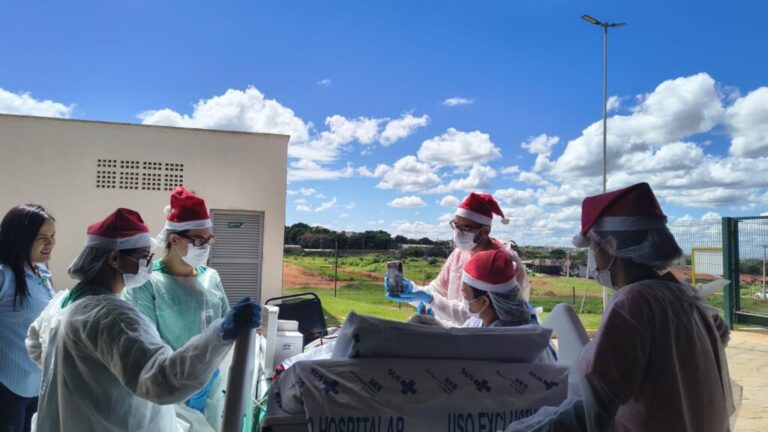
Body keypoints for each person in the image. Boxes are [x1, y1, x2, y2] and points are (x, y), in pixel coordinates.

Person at [506, 182, 735, 432]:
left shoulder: (633, 303)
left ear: (612, 244)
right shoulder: (683, 296)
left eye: (593, 247)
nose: (593, 260)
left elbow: (594, 405)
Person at [26, 208, 260, 432]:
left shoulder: (61, 303)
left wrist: (84, 376)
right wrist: (222, 333)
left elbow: (36, 347)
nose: (148, 266)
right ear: (115, 258)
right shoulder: (110, 315)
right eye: (144, 257)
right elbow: (163, 381)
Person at [122, 188, 229, 419]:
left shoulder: (211, 277)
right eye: (199, 240)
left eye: (209, 239)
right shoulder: (147, 283)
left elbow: (224, 330)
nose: (206, 247)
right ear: (174, 239)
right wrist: (181, 378)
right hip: (165, 389)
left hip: (209, 383)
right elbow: (144, 346)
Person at [385, 192, 529, 326]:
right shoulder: (459, 253)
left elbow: (482, 319)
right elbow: (438, 289)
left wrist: (430, 301)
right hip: (457, 335)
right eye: (456, 225)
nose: (458, 233)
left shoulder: (503, 263)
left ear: (485, 230)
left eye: (466, 228)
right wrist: (412, 291)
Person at [0, 205, 56, 432]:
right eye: (42, 237)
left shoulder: (42, 273)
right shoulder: (4, 274)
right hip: (8, 387)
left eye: (52, 236)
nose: (50, 243)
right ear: (19, 238)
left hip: (38, 386)